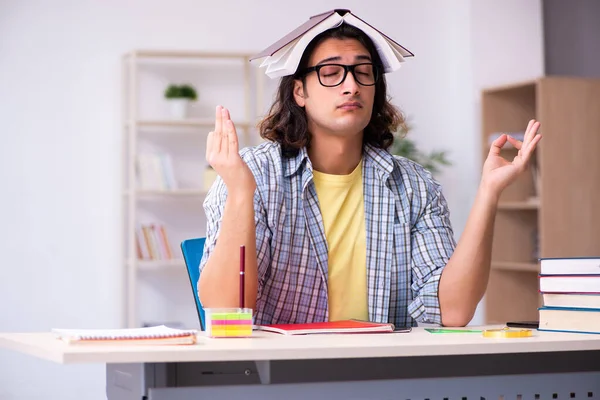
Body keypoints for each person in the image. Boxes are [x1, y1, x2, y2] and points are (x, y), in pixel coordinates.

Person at [197, 21, 541, 328]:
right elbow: (227, 310)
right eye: (331, 73)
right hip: (278, 374)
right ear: (299, 92)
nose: (351, 86)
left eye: (364, 72)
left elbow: (451, 312)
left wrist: (489, 192)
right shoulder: (253, 174)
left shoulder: (414, 186)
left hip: (380, 373)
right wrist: (241, 192)